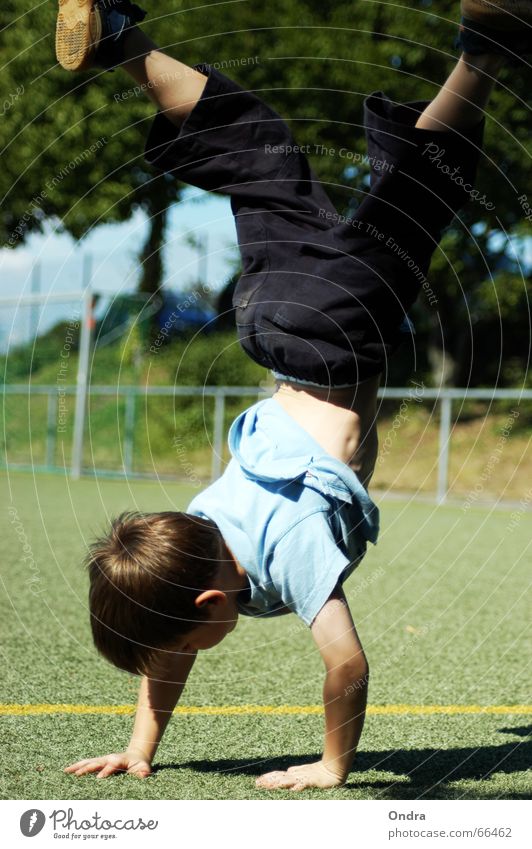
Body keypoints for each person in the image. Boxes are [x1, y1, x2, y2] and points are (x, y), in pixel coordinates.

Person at [59, 0, 529, 791]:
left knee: (417, 199)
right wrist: (141, 745)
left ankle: (483, 51)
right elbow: (171, 647)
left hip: (338, 330)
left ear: (214, 599)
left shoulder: (289, 546)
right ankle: (122, 37)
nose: (178, 656)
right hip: (271, 317)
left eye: (183, 637)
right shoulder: (203, 521)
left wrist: (333, 764)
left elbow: (346, 662)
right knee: (263, 156)